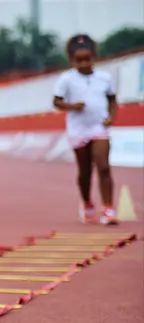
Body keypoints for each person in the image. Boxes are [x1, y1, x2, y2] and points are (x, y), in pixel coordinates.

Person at [52, 34, 118, 225]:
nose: (83, 64)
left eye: (87, 59)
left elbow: (112, 100)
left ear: (94, 57)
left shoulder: (104, 78)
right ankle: (87, 203)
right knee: (85, 170)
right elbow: (56, 102)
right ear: (72, 60)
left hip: (98, 127)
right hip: (78, 129)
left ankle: (108, 208)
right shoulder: (66, 79)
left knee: (104, 167)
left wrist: (111, 117)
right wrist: (73, 106)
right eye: (78, 60)